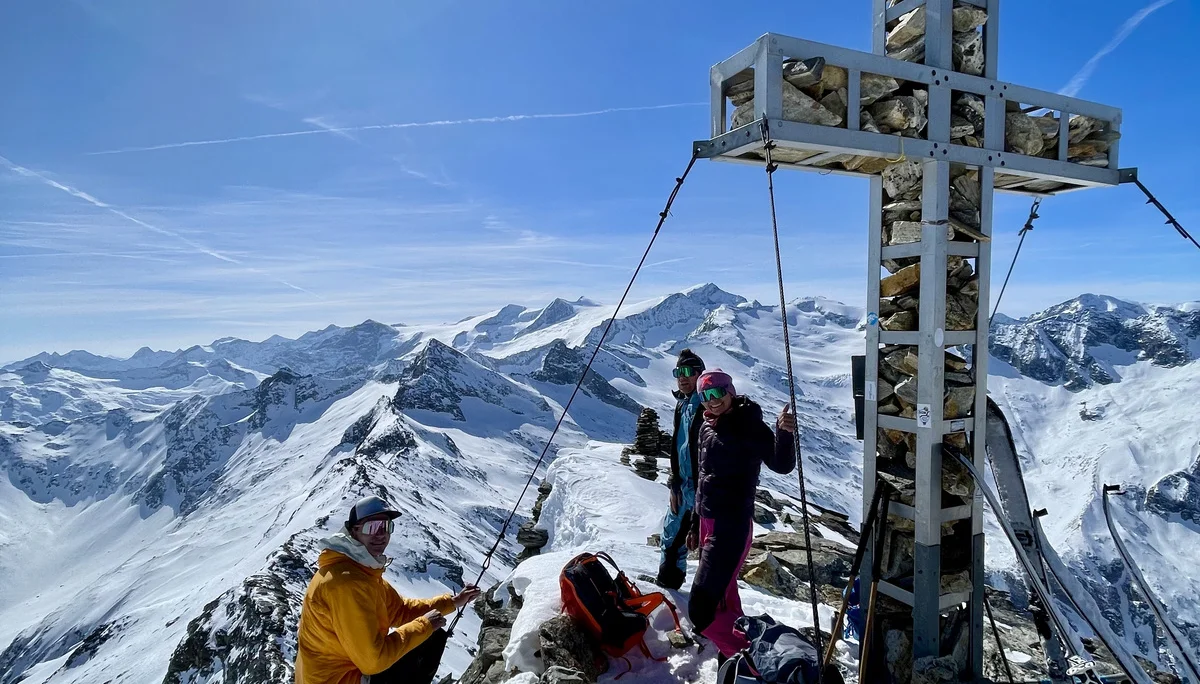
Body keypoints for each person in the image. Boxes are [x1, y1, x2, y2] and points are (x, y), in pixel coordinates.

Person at [294, 495, 482, 684]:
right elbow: (373, 662)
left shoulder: (360, 570)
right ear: (354, 531)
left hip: (339, 674)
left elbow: (400, 610)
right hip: (341, 679)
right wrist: (424, 625)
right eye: (372, 527)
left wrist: (453, 602)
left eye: (386, 527)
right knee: (428, 638)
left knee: (428, 635)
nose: (381, 534)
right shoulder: (348, 583)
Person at [685, 369, 797, 664]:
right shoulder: (706, 426)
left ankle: (758, 662)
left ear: (730, 391)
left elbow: (781, 464)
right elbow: (703, 478)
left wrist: (784, 434)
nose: (712, 401)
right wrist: (696, 524)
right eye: (704, 396)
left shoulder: (748, 424)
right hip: (709, 522)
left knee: (701, 610)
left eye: (717, 393)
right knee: (724, 600)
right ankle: (733, 668)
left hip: (731, 526)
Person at [655, 348, 707, 590]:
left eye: (688, 371)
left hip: (700, 490)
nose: (682, 377)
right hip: (683, 485)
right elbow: (678, 445)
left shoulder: (707, 406)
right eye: (678, 372)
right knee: (672, 536)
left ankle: (674, 590)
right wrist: (674, 480)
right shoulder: (683, 405)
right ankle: (668, 586)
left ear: (700, 374)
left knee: (690, 542)